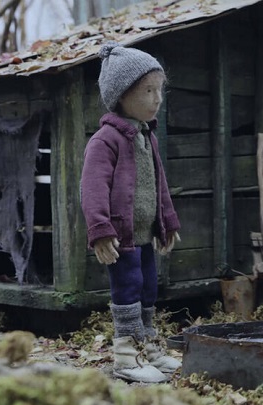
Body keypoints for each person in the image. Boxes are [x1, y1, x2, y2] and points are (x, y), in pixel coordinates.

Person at [81, 42, 181, 383]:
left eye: (160, 90)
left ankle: (147, 345)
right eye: (148, 91)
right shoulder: (105, 140)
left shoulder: (146, 136)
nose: (157, 99)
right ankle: (126, 354)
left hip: (144, 234)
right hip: (120, 237)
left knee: (148, 286)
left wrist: (167, 222)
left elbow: (158, 182)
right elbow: (92, 187)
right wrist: (100, 230)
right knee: (127, 288)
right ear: (122, 95)